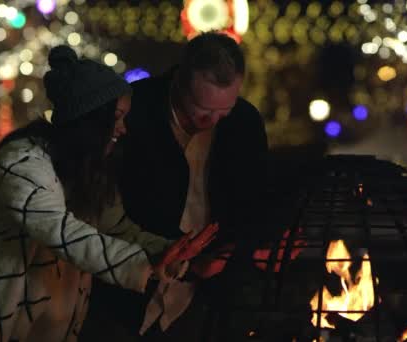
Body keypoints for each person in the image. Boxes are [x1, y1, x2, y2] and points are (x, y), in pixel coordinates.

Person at [0, 45, 214, 342]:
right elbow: (62, 232)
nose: (124, 128)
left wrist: (171, 251)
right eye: (117, 117)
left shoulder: (85, 170)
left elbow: (117, 227)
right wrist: (145, 265)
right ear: (91, 119)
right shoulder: (21, 162)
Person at [82, 32, 269, 341]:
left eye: (224, 111)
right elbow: (103, 203)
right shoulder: (134, 111)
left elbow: (252, 199)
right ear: (180, 80)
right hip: (125, 284)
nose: (212, 120)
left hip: (204, 292)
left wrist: (234, 253)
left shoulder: (243, 122)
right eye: (202, 109)